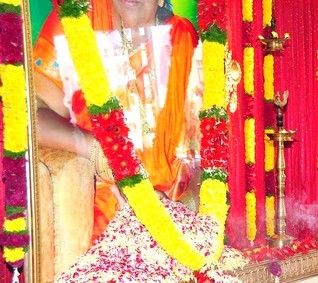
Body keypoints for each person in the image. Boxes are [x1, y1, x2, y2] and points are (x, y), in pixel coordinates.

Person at [33, 0, 201, 241]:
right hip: (96, 213)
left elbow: (203, 146)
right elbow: (29, 116)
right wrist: (95, 149)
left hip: (172, 215)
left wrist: (177, 209)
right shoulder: (73, 22)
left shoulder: (182, 38)